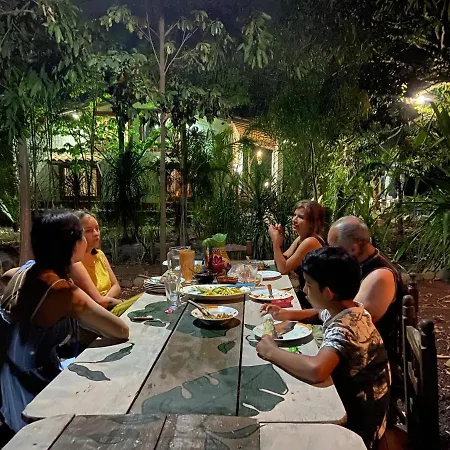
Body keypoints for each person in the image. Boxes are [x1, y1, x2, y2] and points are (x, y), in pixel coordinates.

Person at [0, 211, 129, 433]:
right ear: (73, 244)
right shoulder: (63, 292)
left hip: (8, 382)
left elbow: (6, 276)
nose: (88, 239)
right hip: (34, 390)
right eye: (83, 234)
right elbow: (120, 330)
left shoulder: (25, 270)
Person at [257, 247, 390, 449]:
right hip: (361, 407)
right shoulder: (350, 308)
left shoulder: (346, 329)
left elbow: (317, 370)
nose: (304, 290)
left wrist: (271, 351)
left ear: (328, 293)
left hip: (358, 425)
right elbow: (319, 313)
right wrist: (285, 313)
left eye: (309, 285)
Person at [327, 216, 406, 363]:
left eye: (334, 250)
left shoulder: (380, 276)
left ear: (354, 249)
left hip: (378, 363)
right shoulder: (360, 263)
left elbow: (350, 322)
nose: (331, 256)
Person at [268, 200, 326, 308]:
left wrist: (275, 242)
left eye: (301, 217)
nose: (294, 219)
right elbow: (280, 262)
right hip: (304, 296)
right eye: (294, 215)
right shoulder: (301, 239)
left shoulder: (311, 242)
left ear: (312, 223)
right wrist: (279, 242)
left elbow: (283, 268)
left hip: (313, 304)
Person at [72, 211, 121, 299]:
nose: (96, 233)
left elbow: (116, 286)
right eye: (89, 230)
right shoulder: (75, 263)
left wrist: (106, 299)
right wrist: (104, 301)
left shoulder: (100, 255)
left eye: (97, 229)